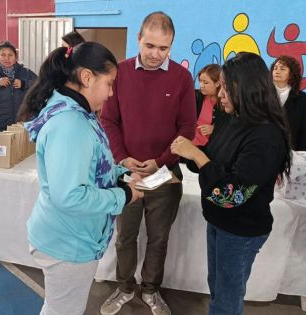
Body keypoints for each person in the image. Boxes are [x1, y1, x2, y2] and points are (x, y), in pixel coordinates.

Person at [18, 43, 144, 315]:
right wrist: (122, 195)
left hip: (69, 235)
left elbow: (89, 166)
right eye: (109, 84)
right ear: (86, 77)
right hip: (68, 242)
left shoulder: (78, 112)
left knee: (58, 307)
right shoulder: (70, 124)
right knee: (63, 310)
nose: (111, 93)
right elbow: (70, 195)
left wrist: (120, 172)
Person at [170, 52, 291, 315]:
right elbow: (214, 161)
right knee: (218, 287)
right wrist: (184, 155)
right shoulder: (230, 118)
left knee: (226, 298)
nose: (219, 93)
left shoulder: (265, 136)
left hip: (240, 229)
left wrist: (197, 156)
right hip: (219, 220)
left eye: (226, 86)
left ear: (246, 88)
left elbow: (230, 195)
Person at [100, 11, 196, 315]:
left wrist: (161, 162)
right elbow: (109, 120)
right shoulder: (120, 72)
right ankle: (125, 286)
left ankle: (151, 290)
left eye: (163, 48)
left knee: (158, 238)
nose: (156, 54)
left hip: (164, 174)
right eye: (150, 46)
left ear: (171, 46)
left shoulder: (182, 78)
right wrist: (123, 158)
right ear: (138, 39)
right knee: (125, 236)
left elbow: (187, 129)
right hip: (126, 173)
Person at [271, 55, 306, 151]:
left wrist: (301, 155)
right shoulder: (262, 94)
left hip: (290, 153)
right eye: (275, 68)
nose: (277, 71)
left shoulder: (302, 98)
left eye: (282, 69)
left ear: (291, 74)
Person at [193, 64, 227, 146]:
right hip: (190, 142)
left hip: (212, 146)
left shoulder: (226, 102)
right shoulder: (195, 96)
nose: (201, 85)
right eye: (200, 81)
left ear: (217, 83)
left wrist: (214, 128)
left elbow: (229, 127)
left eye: (206, 82)